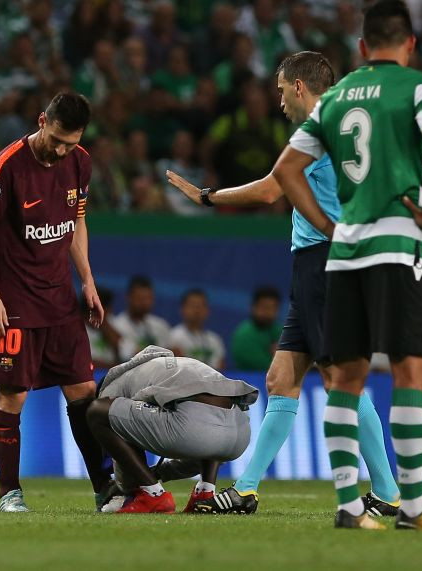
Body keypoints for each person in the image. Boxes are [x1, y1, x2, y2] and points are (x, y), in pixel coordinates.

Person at [272, 0, 422, 531]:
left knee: (346, 378)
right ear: (409, 44)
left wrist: (328, 226)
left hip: (344, 253)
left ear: (362, 47)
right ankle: (413, 508)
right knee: (411, 368)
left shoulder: (335, 98)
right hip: (398, 243)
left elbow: (286, 171)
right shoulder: (421, 87)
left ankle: (349, 506)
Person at [167, 51, 401, 519]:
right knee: (282, 379)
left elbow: (271, 189)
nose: (277, 102)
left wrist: (208, 197)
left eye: (280, 91)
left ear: (299, 87)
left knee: (340, 381)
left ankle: (390, 493)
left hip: (326, 266)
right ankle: (247, 490)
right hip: (324, 266)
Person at [0, 91, 111, 512]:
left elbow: (76, 223)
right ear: (41, 121)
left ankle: (104, 488)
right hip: (14, 303)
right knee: (11, 398)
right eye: (55, 139)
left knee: (84, 392)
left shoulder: (80, 162)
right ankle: (9, 493)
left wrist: (87, 279)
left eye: (70, 142)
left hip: (60, 301)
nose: (60, 150)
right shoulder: (4, 167)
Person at [86, 345, 258, 514]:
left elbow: (124, 451)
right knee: (207, 422)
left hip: (195, 430)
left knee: (96, 411)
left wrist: (127, 486)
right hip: (240, 434)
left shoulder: (111, 387)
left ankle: (153, 495)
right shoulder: (179, 363)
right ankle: (205, 492)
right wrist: (158, 473)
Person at [111, 275, 171, 361]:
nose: (144, 303)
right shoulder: (117, 325)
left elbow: (170, 354)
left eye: (148, 298)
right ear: (129, 297)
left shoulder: (160, 325)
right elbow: (128, 355)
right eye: (140, 298)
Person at [228, 286, 282, 371]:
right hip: (252, 381)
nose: (268, 313)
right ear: (253, 307)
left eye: (272, 308)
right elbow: (264, 366)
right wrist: (281, 358)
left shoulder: (280, 330)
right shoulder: (244, 335)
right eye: (264, 308)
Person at [169, 289, 225, 369]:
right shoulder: (174, 337)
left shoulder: (215, 340)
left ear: (207, 311)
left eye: (200, 306)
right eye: (193, 306)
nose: (197, 310)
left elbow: (221, 369)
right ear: (182, 309)